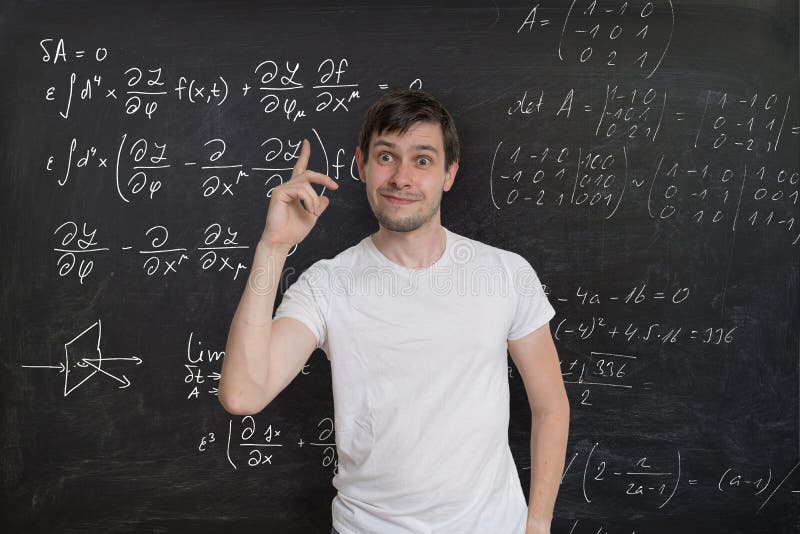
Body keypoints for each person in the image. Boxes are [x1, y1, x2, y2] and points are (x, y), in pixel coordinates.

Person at [219, 88, 570, 534]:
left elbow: (550, 405)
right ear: (361, 164)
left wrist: (537, 523)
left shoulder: (504, 273)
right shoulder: (328, 284)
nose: (402, 177)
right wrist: (273, 248)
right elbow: (243, 395)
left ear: (449, 173)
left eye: (422, 160)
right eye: (387, 157)